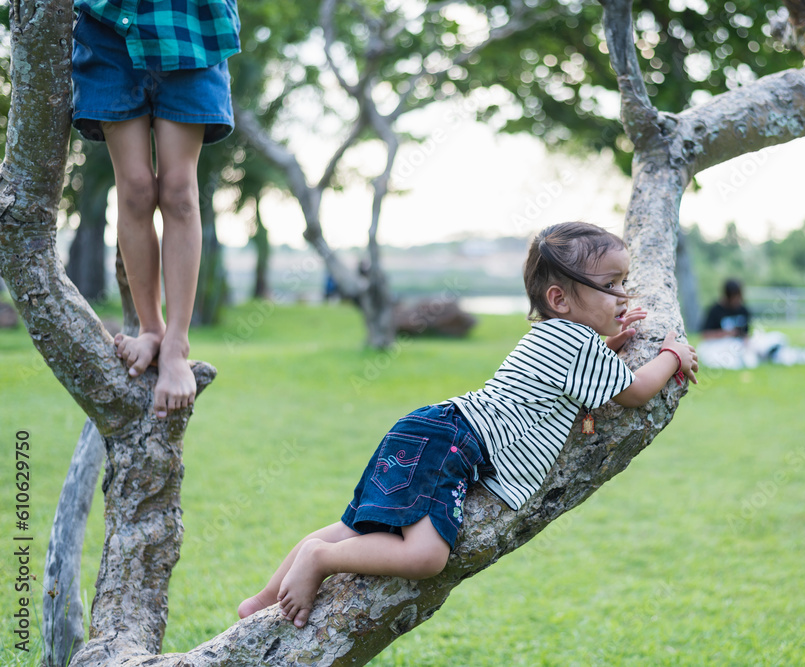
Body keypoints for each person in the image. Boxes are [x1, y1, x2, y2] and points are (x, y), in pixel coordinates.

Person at [237, 222, 699, 628]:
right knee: (425, 557)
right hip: (453, 443)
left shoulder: (553, 336)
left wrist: (612, 346)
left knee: (355, 526)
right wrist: (671, 356)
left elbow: (577, 382)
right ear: (559, 299)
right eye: (611, 285)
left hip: (433, 427)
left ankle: (262, 599)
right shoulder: (576, 341)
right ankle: (319, 559)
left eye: (625, 281)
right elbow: (636, 391)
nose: (624, 294)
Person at [71, 0, 241, 417]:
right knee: (134, 191)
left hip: (191, 27)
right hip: (109, 28)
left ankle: (176, 345)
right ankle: (151, 328)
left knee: (180, 190)